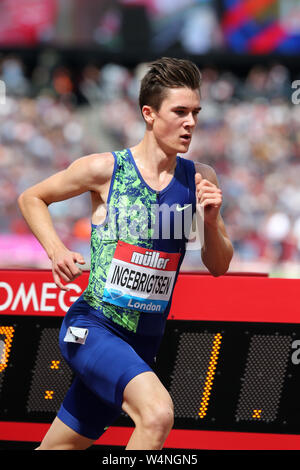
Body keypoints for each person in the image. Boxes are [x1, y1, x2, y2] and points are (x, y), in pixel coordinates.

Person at [18, 57, 233, 450]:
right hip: (93, 329)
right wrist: (56, 249)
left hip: (142, 344)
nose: (191, 123)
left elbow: (219, 265)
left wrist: (211, 218)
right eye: (180, 112)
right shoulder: (107, 169)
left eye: (195, 113)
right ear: (149, 114)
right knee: (157, 414)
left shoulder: (200, 179)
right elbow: (32, 197)